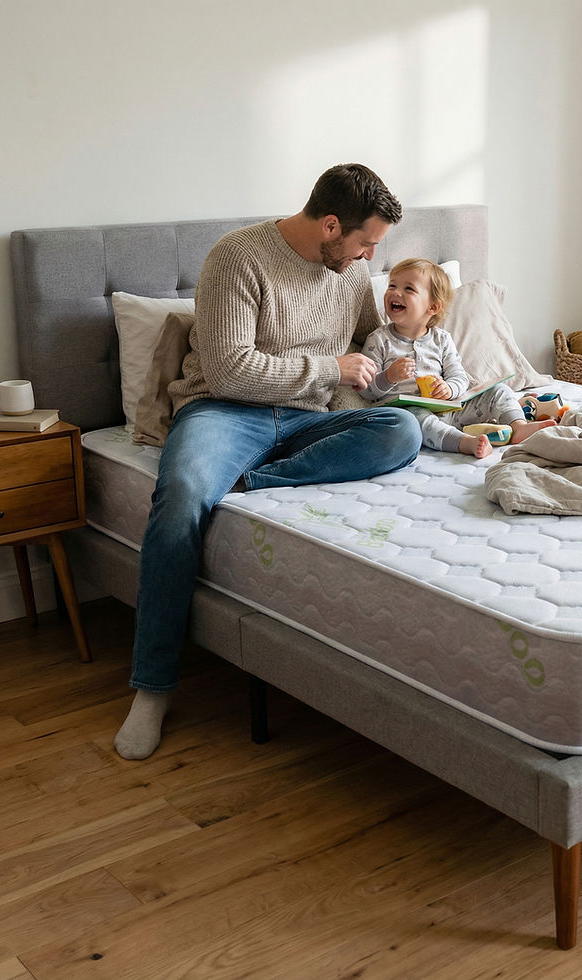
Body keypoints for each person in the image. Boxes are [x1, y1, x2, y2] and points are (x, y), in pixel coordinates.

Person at [114, 163, 423, 761]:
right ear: (331, 225)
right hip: (225, 412)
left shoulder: (350, 273)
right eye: (364, 243)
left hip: (311, 416)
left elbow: (365, 348)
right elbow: (232, 369)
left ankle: (253, 479)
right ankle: (151, 688)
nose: (367, 258)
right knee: (179, 499)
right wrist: (329, 368)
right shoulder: (237, 257)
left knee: (400, 430)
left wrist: (407, 363)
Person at [359, 258, 555, 458]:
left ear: (433, 307)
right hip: (411, 414)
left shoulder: (441, 339)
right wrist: (389, 377)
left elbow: (460, 377)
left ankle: (518, 426)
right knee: (415, 419)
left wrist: (449, 389)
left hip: (451, 410)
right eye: (392, 286)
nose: (395, 292)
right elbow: (366, 390)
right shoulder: (379, 340)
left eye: (408, 289)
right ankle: (465, 443)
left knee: (499, 390)